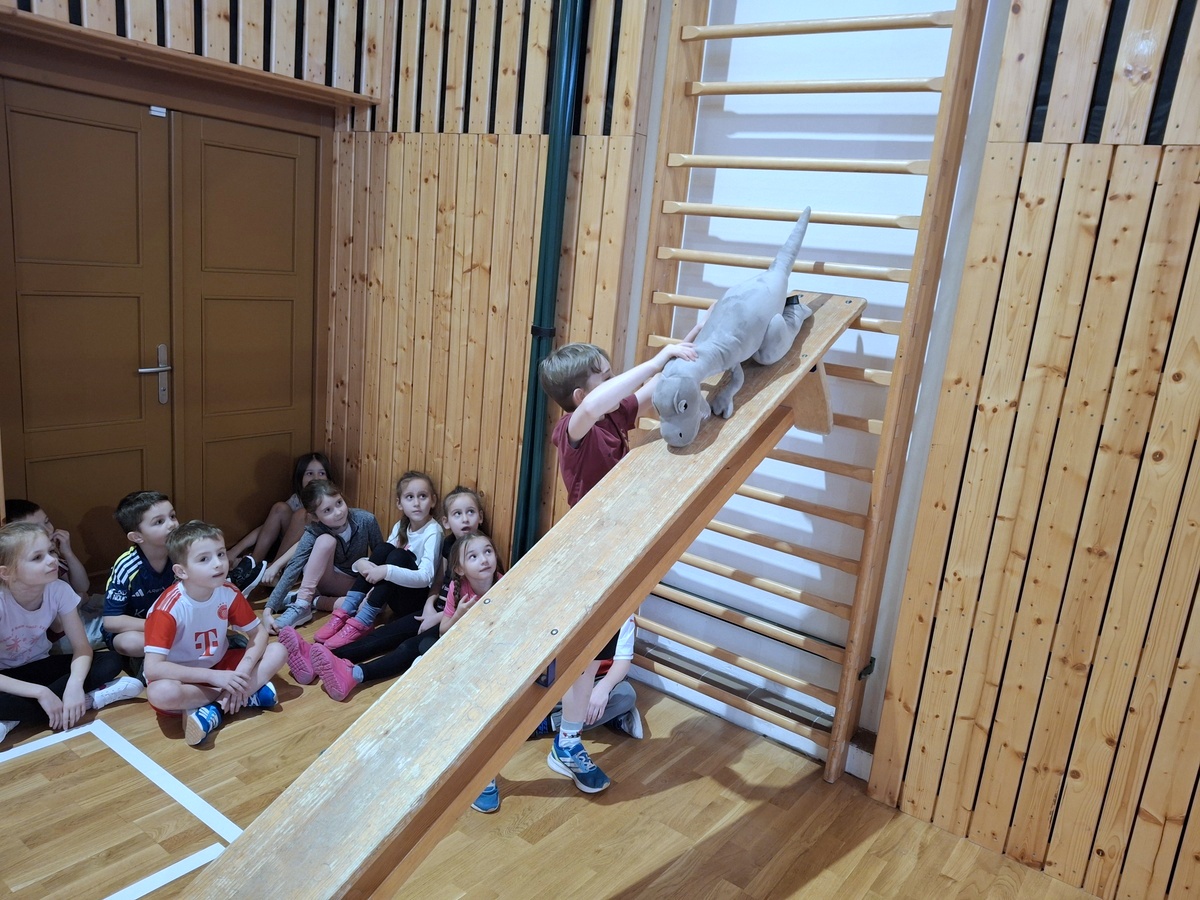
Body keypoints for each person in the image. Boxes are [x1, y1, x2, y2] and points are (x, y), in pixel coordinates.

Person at [537, 333, 698, 792]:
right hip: (587, 556)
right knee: (578, 657)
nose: (617, 382)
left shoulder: (610, 415)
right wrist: (657, 359)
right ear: (581, 396)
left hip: (616, 554)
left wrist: (692, 349)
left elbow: (647, 394)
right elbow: (597, 404)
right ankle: (554, 733)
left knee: (589, 659)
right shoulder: (574, 429)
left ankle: (567, 742)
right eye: (606, 377)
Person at [293, 531, 504, 811]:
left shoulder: (502, 582)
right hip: (440, 627)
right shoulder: (453, 571)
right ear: (460, 566)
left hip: (463, 653)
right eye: (474, 555)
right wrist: (444, 612)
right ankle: (326, 661)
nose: (484, 559)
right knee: (395, 637)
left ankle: (355, 683)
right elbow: (443, 610)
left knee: (411, 653)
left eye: (488, 552)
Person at [143, 520, 286, 746]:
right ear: (181, 571)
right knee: (161, 693)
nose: (218, 564)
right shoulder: (168, 609)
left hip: (219, 664)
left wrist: (242, 671)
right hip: (185, 677)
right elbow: (153, 668)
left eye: (220, 554)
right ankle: (247, 693)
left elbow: (258, 634)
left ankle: (216, 708)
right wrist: (216, 679)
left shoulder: (228, 591)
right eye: (204, 559)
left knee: (278, 650)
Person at [0, 523, 143, 743]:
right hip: (6, 677)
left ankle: (15, 717)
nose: (52, 560)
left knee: (110, 660)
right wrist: (41, 693)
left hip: (40, 666)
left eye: (51, 551)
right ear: (6, 573)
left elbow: (82, 648)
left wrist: (74, 685)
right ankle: (91, 699)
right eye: (37, 557)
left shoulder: (59, 590)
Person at [316, 471, 442, 649]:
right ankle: (347, 609)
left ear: (433, 500)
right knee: (384, 548)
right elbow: (383, 560)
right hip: (395, 597)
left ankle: (364, 620)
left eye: (422, 496)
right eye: (409, 497)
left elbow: (426, 577)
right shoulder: (401, 526)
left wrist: (387, 571)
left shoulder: (433, 531)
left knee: (399, 555)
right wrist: (359, 564)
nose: (416, 503)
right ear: (399, 503)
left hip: (415, 602)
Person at [264, 480, 383, 633]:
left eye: (339, 503)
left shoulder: (366, 519)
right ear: (315, 516)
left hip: (354, 584)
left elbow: (381, 554)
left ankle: (312, 601)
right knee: (325, 540)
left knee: (370, 607)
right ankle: (302, 604)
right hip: (326, 578)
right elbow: (295, 565)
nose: (338, 512)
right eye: (327, 510)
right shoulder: (314, 530)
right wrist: (268, 610)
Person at [5, 499, 105, 650]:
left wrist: (67, 552)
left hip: (77, 609)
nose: (47, 530)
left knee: (119, 601)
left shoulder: (50, 555)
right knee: (118, 623)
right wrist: (79, 597)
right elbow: (58, 624)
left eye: (47, 522)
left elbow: (83, 586)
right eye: (35, 528)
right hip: (62, 636)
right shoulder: (32, 572)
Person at [226, 452, 334, 593]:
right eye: (309, 473)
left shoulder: (331, 501)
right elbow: (265, 527)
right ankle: (252, 566)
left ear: (328, 478)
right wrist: (234, 550)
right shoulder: (297, 499)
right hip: (288, 547)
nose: (316, 478)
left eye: (321, 473)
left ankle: (275, 571)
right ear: (300, 478)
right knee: (280, 508)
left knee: (302, 514)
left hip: (308, 553)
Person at [102, 491, 179, 678]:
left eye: (172, 516)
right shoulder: (127, 566)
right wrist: (160, 625)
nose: (172, 524)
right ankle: (149, 663)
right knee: (131, 642)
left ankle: (173, 657)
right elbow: (111, 621)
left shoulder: (182, 553)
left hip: (174, 625)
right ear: (137, 537)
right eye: (159, 522)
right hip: (139, 628)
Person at [530, 614, 642, 740]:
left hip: (599, 679)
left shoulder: (621, 612)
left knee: (625, 695)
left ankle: (546, 725)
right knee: (539, 696)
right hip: (564, 679)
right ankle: (609, 716)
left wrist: (603, 688)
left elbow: (623, 661)